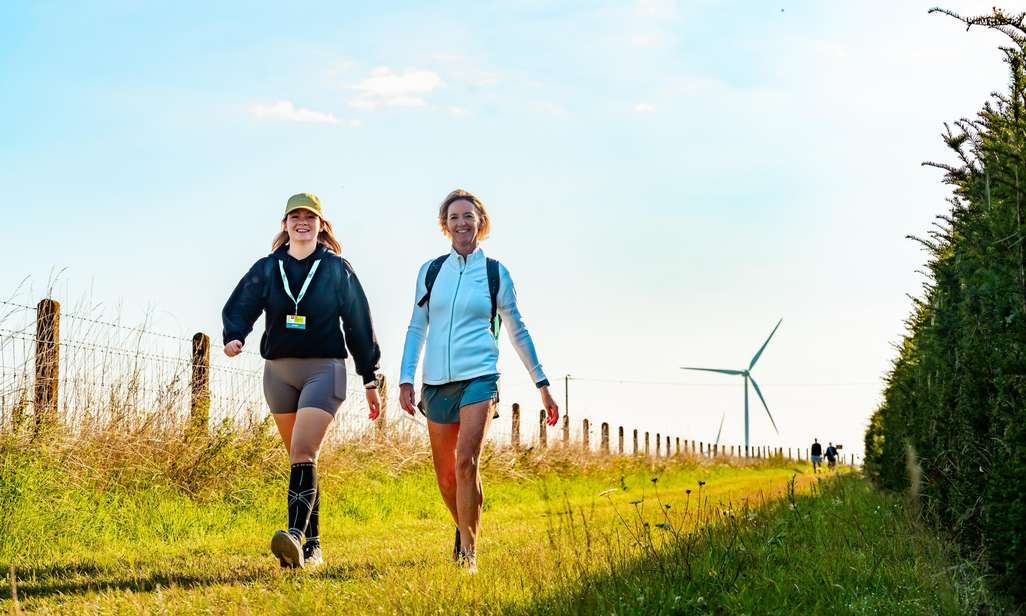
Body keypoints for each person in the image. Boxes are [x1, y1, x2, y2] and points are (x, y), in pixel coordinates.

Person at [398, 189, 559, 574]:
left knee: (466, 461)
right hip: (436, 383)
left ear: (480, 222)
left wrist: (543, 384)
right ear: (445, 225)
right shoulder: (431, 271)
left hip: (480, 378)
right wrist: (406, 378)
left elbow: (518, 330)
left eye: (468, 216)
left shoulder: (495, 273)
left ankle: (468, 556)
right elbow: (417, 326)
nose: (462, 223)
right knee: (447, 477)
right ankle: (465, 528)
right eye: (454, 217)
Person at [222, 192, 382, 569]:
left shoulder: (336, 269)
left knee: (304, 453)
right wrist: (235, 334)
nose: (302, 222)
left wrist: (369, 377)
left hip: (324, 370)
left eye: (309, 216)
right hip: (278, 373)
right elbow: (242, 303)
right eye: (295, 216)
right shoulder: (268, 267)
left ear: (321, 224)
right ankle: (313, 547)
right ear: (285, 224)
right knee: (301, 460)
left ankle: (293, 538)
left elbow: (359, 323)